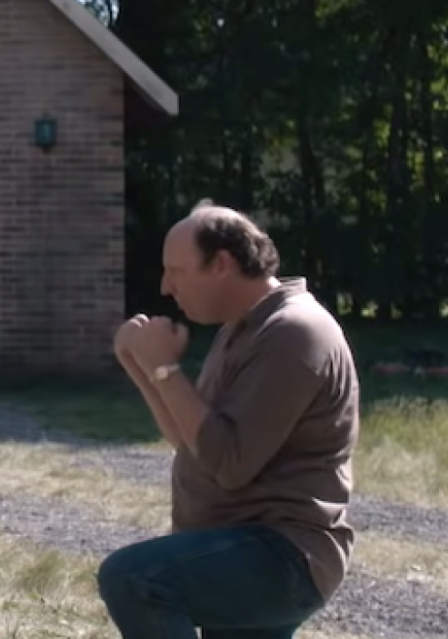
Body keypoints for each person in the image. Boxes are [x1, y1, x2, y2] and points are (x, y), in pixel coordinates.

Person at [97, 200, 361, 639]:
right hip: (241, 543)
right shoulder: (243, 329)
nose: (166, 286)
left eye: (176, 271)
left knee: (136, 580)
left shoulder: (294, 332)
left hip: (281, 554)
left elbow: (229, 462)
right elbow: (191, 440)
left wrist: (165, 367)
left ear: (221, 264)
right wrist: (140, 365)